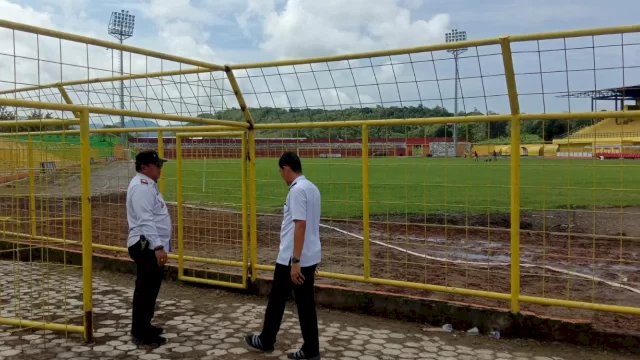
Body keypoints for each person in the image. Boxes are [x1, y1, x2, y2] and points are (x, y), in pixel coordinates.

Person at [245, 152, 322, 360]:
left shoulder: (297, 191)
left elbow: (301, 225)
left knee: (279, 300)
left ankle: (268, 339)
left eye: (281, 171)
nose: (281, 175)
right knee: (302, 303)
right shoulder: (312, 188)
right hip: (308, 255)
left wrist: (295, 262)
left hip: (292, 258)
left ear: (286, 168)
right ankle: (308, 349)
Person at [126, 150, 170, 347]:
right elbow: (146, 220)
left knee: (151, 288)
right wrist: (158, 246)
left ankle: (145, 325)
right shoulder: (142, 187)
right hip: (146, 244)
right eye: (157, 165)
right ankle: (140, 332)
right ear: (144, 167)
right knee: (145, 289)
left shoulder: (148, 185)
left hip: (150, 244)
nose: (160, 168)